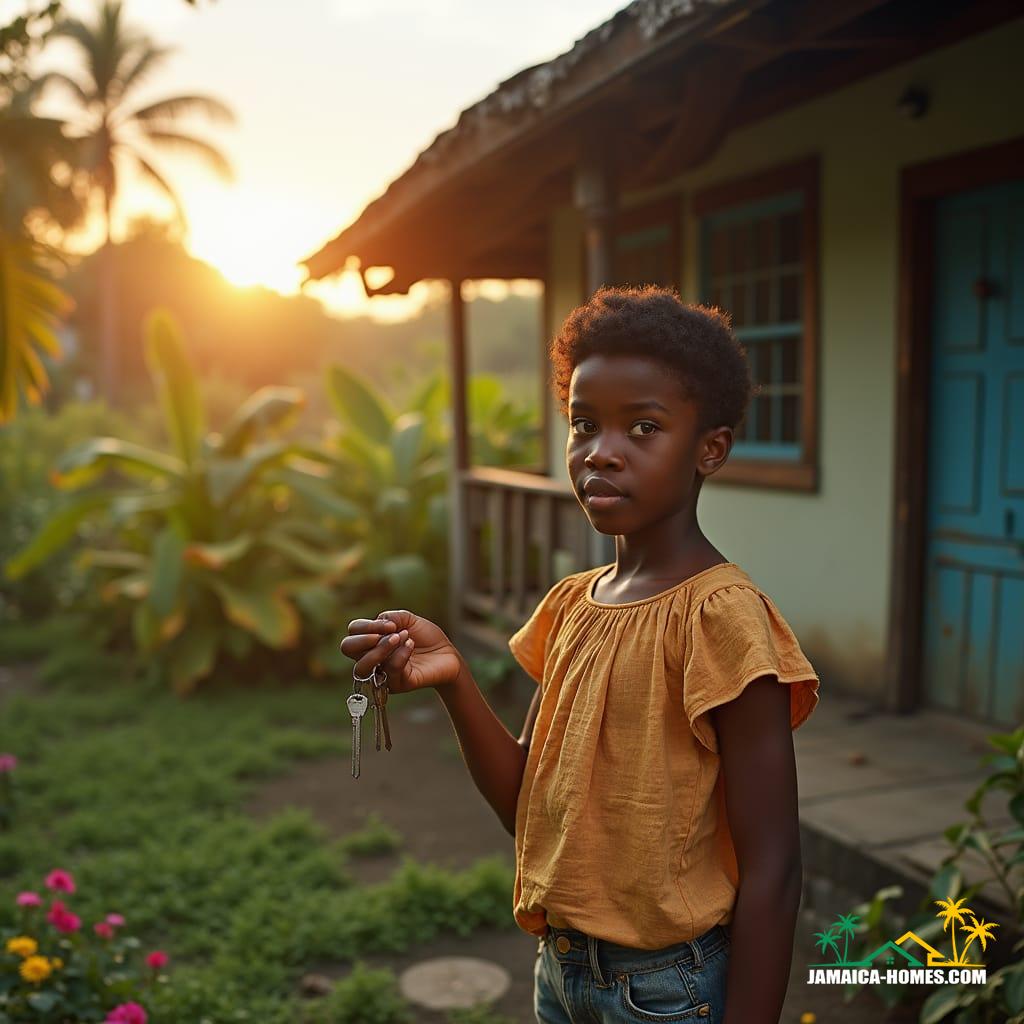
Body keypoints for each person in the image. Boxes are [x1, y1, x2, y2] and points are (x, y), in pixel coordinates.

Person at [340, 284, 820, 1024]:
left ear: (710, 449)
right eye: (584, 424)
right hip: (561, 975)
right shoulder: (573, 605)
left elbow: (775, 869)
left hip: (669, 990)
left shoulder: (721, 617)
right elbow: (527, 810)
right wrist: (455, 682)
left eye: (644, 428)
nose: (602, 452)